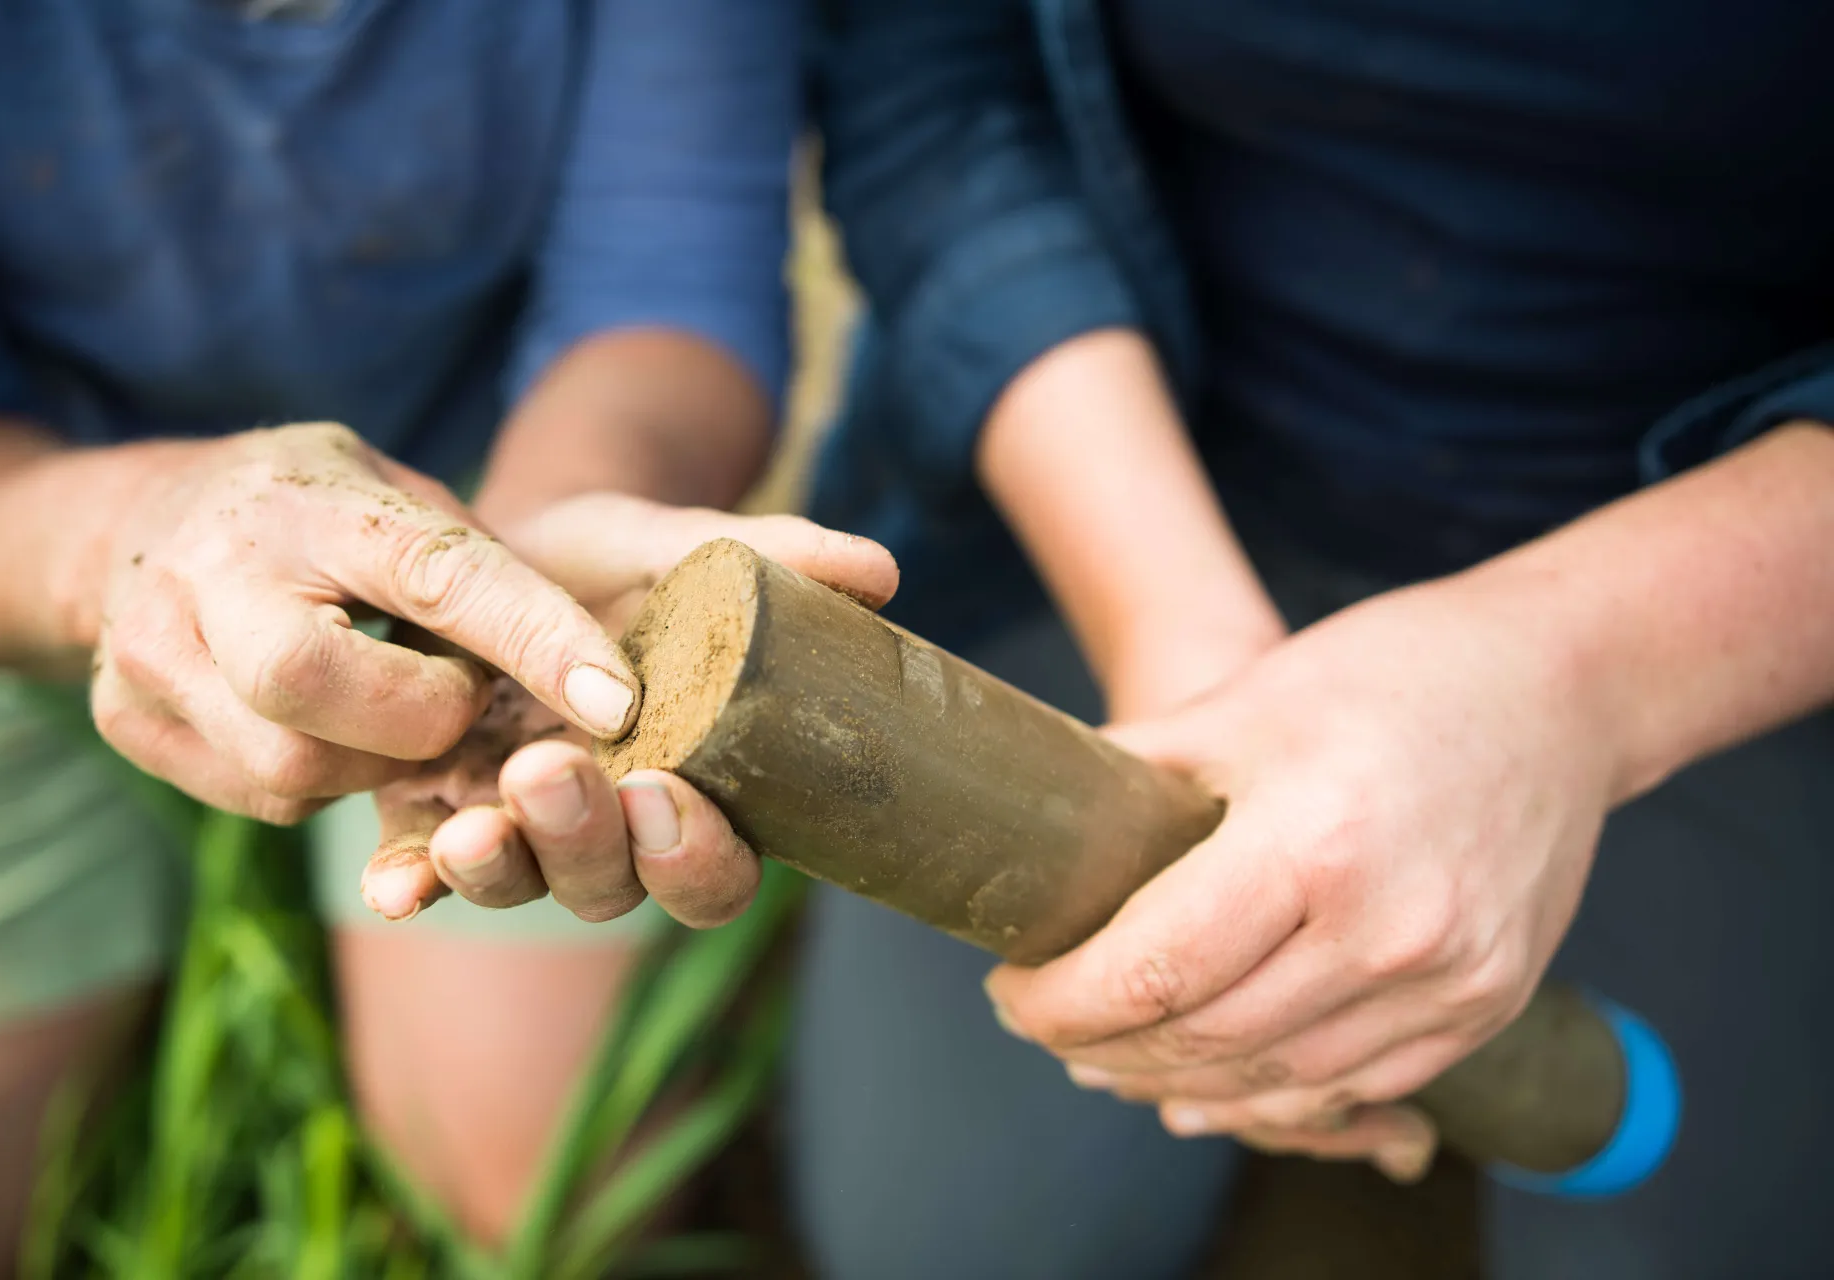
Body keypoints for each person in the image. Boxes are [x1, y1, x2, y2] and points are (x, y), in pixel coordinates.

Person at [784, 1, 1834, 1277]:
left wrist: (1579, 678)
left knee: (1690, 1221)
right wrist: (1176, 625)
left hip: (1740, 586)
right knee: (951, 1243)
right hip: (1137, 477)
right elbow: (931, 74)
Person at [0, 2, 898, 1272]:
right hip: (18, 518)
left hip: (489, 481)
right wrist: (122, 543)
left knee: (544, 1203)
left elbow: (665, 293)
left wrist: (520, 555)